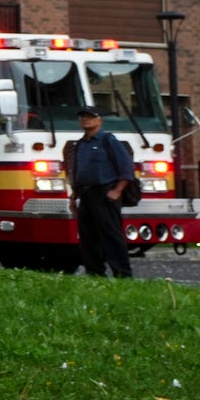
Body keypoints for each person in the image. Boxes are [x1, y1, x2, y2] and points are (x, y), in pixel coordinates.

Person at [63, 103, 135, 279]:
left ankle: (123, 275)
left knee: (111, 236)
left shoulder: (108, 141)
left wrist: (117, 191)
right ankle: (95, 274)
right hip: (85, 195)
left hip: (105, 195)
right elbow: (77, 170)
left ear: (99, 120)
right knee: (88, 237)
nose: (85, 120)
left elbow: (126, 168)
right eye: (82, 117)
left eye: (90, 116)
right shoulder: (80, 144)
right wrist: (74, 196)